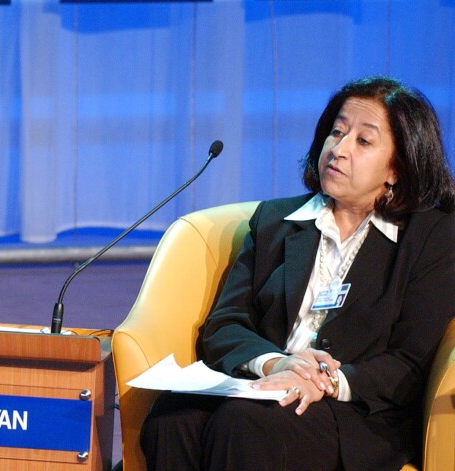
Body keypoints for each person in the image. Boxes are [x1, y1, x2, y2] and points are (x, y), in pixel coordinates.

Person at [140, 76, 455, 470]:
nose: (338, 150)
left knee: (244, 424)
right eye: (336, 132)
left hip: (357, 413)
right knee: (172, 418)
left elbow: (410, 360)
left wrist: (325, 381)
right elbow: (225, 324)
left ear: (398, 166)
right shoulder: (275, 223)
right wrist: (275, 364)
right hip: (264, 389)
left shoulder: (431, 237)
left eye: (363, 141)